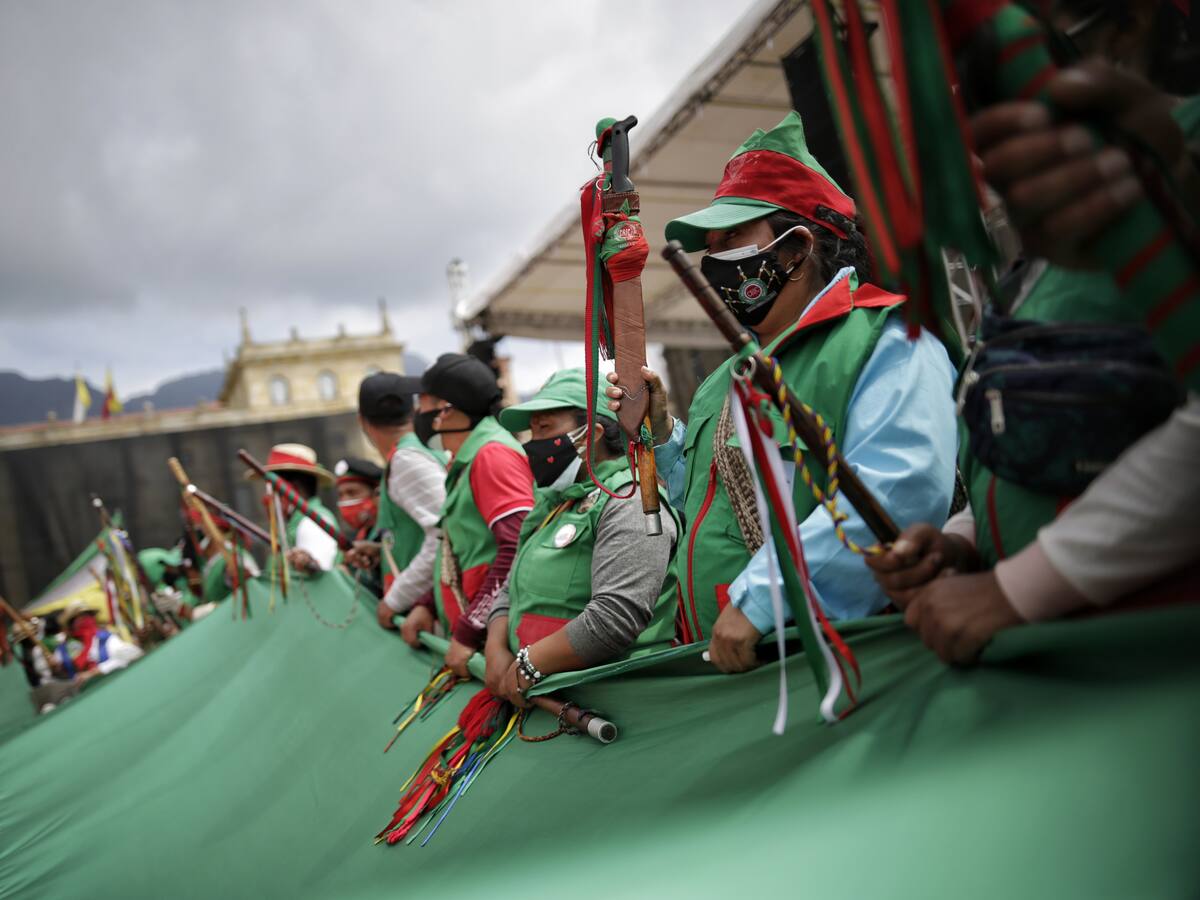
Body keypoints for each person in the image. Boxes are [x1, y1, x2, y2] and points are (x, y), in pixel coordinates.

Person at [865, 0, 1200, 664]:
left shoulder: (1176, 158)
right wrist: (964, 542)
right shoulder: (1046, 245)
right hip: (1057, 660)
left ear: (1128, 23)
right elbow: (1047, 440)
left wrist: (1018, 587)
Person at [607, 111, 958, 674]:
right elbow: (707, 503)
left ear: (797, 249)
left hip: (844, 665)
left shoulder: (886, 338)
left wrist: (765, 597)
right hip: (739, 669)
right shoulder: (726, 378)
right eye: (711, 247)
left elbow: (902, 484)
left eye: (733, 239)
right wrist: (664, 435)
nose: (716, 260)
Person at [482, 368, 680, 705]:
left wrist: (527, 668)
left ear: (594, 433)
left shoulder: (631, 502)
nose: (535, 442)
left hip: (610, 700)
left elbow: (614, 618)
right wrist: (495, 649)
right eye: (532, 431)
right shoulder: (554, 503)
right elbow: (510, 586)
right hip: (540, 694)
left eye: (544, 428)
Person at [401, 353, 535, 677]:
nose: (418, 411)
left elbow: (518, 546)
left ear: (445, 409)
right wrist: (427, 603)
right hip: (483, 641)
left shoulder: (492, 456)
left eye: (424, 401)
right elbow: (467, 550)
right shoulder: (469, 457)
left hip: (498, 647)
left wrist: (468, 631)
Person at [349, 373, 446, 629]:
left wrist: (394, 600)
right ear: (413, 411)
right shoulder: (415, 452)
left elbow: (444, 535)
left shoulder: (406, 460)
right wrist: (383, 552)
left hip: (431, 617)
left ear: (361, 420)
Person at [248, 443, 339, 577]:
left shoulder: (313, 522)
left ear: (292, 489)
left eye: (272, 490)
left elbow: (316, 580)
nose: (268, 498)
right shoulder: (295, 524)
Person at [54, 600, 143, 687]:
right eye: (79, 618)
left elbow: (133, 653)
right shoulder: (64, 649)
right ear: (71, 624)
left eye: (87, 615)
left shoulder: (104, 639)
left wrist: (95, 672)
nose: (85, 620)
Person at [334, 456, 385, 598]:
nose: (345, 501)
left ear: (375, 494)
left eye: (352, 493)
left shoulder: (389, 532)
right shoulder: (361, 535)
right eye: (340, 495)